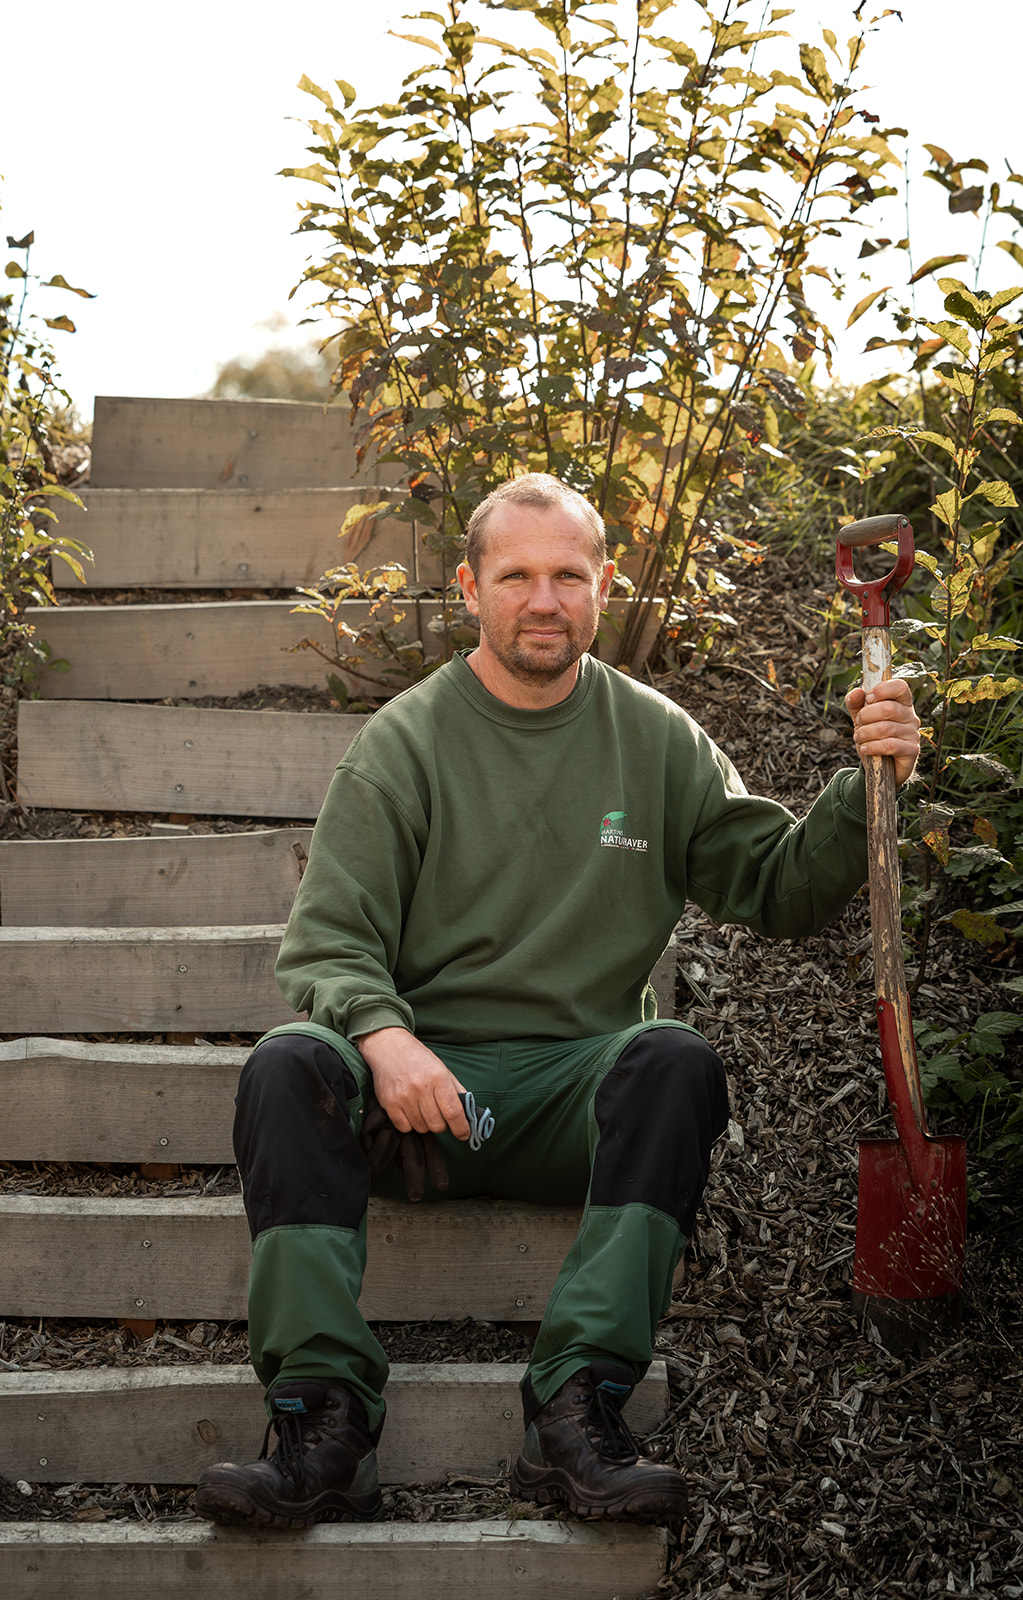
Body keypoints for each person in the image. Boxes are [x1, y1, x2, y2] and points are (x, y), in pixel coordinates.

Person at [194, 473, 920, 1530]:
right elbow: (328, 941)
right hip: (414, 1111)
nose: (543, 599)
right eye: (516, 575)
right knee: (285, 1065)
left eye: (567, 575)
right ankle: (322, 1420)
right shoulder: (404, 742)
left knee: (673, 1058)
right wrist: (385, 1036)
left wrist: (868, 778)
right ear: (469, 587)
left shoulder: (655, 738)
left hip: (571, 1100)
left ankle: (577, 1410)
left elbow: (780, 886)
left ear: (604, 584)